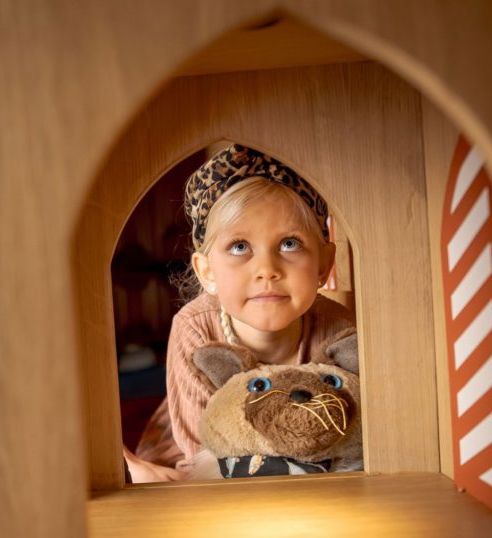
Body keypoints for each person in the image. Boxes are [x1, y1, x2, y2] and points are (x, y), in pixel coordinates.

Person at [123, 143, 356, 483]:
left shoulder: (337, 329)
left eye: (289, 243)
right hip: (209, 449)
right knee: (161, 486)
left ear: (324, 264)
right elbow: (202, 448)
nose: (266, 270)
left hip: (304, 457)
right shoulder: (195, 328)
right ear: (207, 273)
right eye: (239, 247)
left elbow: (348, 434)